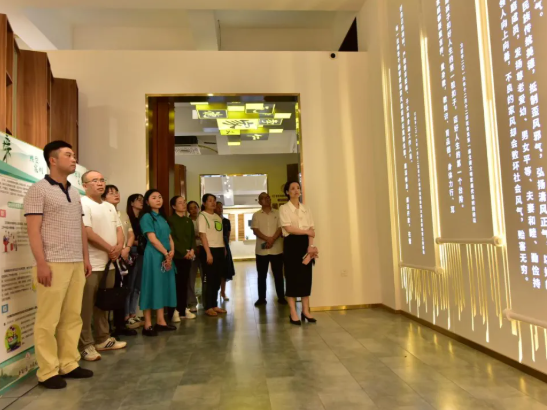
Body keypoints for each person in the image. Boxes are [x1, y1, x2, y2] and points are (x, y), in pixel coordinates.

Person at [24, 141, 94, 389]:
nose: (74, 159)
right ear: (52, 160)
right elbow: (33, 230)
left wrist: (85, 258)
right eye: (68, 155)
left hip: (76, 262)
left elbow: (80, 228)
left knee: (72, 316)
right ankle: (47, 371)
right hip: (52, 263)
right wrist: (41, 263)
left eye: (74, 155)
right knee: (48, 320)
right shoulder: (38, 190)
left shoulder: (74, 192)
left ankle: (69, 363)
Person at [79, 171, 127, 361]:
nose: (100, 183)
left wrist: (118, 247)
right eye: (94, 181)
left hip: (110, 263)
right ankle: (85, 345)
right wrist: (110, 248)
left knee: (104, 303)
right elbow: (87, 232)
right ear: (84, 185)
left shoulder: (109, 206)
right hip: (92, 264)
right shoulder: (83, 203)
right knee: (86, 306)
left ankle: (103, 338)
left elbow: (119, 230)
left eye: (101, 180)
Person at [279, 181, 318, 325]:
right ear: (287, 192)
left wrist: (311, 247)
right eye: (293, 188)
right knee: (292, 278)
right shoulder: (284, 208)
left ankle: (305, 311)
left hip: (305, 245)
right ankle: (293, 312)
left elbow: (312, 230)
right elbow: (288, 228)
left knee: (306, 278)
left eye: (298, 188)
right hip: (291, 244)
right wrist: (306, 231)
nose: (296, 190)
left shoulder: (306, 208)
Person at [139, 189, 177, 336]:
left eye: (160, 197)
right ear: (147, 202)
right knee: (151, 286)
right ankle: (147, 324)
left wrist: (171, 251)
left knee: (161, 287)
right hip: (154, 256)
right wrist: (166, 253)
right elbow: (152, 239)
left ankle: (161, 321)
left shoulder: (162, 217)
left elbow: (169, 237)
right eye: (154, 197)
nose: (158, 200)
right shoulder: (147, 217)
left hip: (166, 255)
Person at [102, 185, 137, 337]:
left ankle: (120, 325)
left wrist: (127, 248)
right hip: (109, 257)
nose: (116, 195)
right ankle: (107, 328)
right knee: (109, 292)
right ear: (103, 197)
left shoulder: (123, 214)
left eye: (117, 192)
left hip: (124, 257)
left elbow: (131, 234)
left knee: (122, 290)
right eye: (111, 193)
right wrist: (116, 250)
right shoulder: (101, 212)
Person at [251, 192, 286, 306]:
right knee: (262, 275)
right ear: (259, 202)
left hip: (277, 250)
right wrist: (268, 239)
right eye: (264, 198)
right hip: (261, 251)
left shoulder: (278, 213)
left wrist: (272, 239)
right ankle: (262, 298)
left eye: (268, 197)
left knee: (278, 275)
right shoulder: (256, 215)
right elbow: (255, 230)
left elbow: (280, 228)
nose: (267, 199)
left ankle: (281, 297)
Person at [167, 196, 197, 322]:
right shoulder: (170, 220)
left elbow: (192, 238)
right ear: (174, 206)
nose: (183, 204)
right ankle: (174, 311)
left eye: (184, 202)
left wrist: (192, 250)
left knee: (185, 284)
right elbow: (171, 239)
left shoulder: (188, 220)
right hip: (176, 257)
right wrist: (182, 252)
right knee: (175, 284)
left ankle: (183, 309)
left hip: (188, 256)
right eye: (180, 203)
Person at [199, 194, 227, 317]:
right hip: (208, 249)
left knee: (217, 279)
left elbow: (220, 235)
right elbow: (202, 235)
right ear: (204, 203)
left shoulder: (217, 217)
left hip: (219, 249)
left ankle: (215, 304)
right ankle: (208, 306)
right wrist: (208, 253)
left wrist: (224, 248)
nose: (213, 203)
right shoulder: (202, 216)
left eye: (214, 200)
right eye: (210, 201)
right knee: (210, 279)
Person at [125, 194, 145, 328]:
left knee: (138, 285)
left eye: (142, 200)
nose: (141, 202)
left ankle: (133, 313)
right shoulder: (128, 218)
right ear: (131, 203)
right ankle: (126, 315)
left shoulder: (142, 219)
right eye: (138, 200)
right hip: (132, 252)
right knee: (130, 285)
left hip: (142, 252)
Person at [215, 201, 235, 301]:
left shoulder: (226, 221)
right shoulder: (212, 220)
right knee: (216, 272)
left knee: (224, 271)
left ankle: (223, 292)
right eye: (218, 207)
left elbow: (227, 235)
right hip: (215, 246)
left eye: (221, 207)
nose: (220, 209)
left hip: (225, 246)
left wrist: (225, 247)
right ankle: (215, 293)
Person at [187, 201, 201, 312]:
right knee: (191, 278)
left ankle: (207, 301)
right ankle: (192, 302)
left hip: (204, 250)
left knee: (206, 278)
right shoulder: (187, 222)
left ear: (198, 208)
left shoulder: (203, 219)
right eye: (191, 208)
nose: (193, 210)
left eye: (195, 207)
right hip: (192, 252)